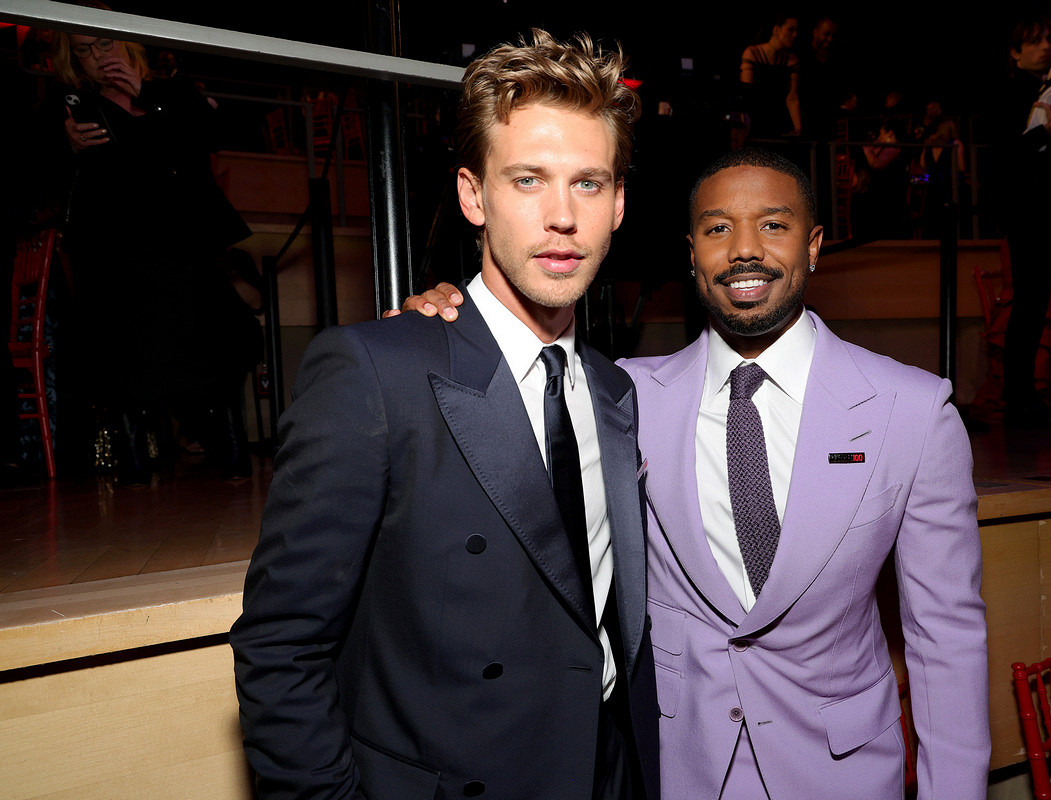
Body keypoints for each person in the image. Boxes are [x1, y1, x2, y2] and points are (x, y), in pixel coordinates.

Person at [404, 147, 991, 798]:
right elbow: (502, 409)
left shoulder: (913, 411)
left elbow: (947, 637)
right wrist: (446, 328)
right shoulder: (619, 396)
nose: (745, 250)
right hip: (677, 769)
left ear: (814, 246)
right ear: (691, 254)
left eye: (773, 225)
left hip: (843, 773)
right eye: (717, 229)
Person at [230, 29, 659, 800]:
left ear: (619, 203)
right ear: (473, 195)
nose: (562, 216)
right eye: (527, 180)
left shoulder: (613, 391)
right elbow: (281, 645)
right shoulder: (374, 372)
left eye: (589, 184)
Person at [45, 6, 256, 480]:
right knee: (122, 312)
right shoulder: (73, 105)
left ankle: (225, 439)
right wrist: (70, 147)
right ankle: (135, 452)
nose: (98, 55)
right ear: (72, 58)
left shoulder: (170, 92)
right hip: (116, 247)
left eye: (104, 42)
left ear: (125, 41)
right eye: (84, 49)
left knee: (216, 317)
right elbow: (44, 175)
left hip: (184, 239)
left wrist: (146, 95)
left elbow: (216, 134)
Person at [994, 15, 1051, 426]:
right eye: (1035, 41)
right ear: (1016, 52)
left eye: (1049, 39)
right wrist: (1049, 132)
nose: (1046, 46)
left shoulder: (1050, 89)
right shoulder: (1010, 91)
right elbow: (1006, 154)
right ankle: (1020, 401)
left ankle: (1024, 398)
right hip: (1026, 211)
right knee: (1028, 305)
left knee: (1036, 305)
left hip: (1049, 208)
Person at [739, 14, 802, 138]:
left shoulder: (791, 60)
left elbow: (792, 97)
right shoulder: (752, 53)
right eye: (790, 30)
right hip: (755, 120)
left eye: (796, 31)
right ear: (776, 29)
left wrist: (798, 127)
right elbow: (747, 93)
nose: (795, 35)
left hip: (779, 121)